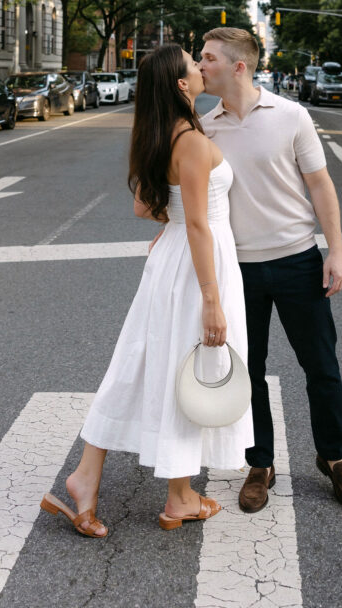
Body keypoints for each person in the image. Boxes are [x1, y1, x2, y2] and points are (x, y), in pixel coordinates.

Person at [40, 44, 253, 536]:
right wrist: (212, 300)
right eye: (193, 64)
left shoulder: (162, 133)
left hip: (170, 262)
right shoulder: (194, 142)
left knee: (142, 364)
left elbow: (146, 209)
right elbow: (199, 225)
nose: (201, 68)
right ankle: (178, 497)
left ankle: (86, 478)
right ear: (182, 85)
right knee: (187, 370)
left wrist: (172, 223)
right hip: (198, 266)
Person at [198, 28, 342, 514]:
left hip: (298, 261)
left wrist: (335, 251)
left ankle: (335, 458)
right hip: (239, 269)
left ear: (238, 67)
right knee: (248, 371)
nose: (200, 64)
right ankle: (260, 463)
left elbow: (321, 186)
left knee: (321, 366)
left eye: (208, 58)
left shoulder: (292, 115)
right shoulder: (207, 127)